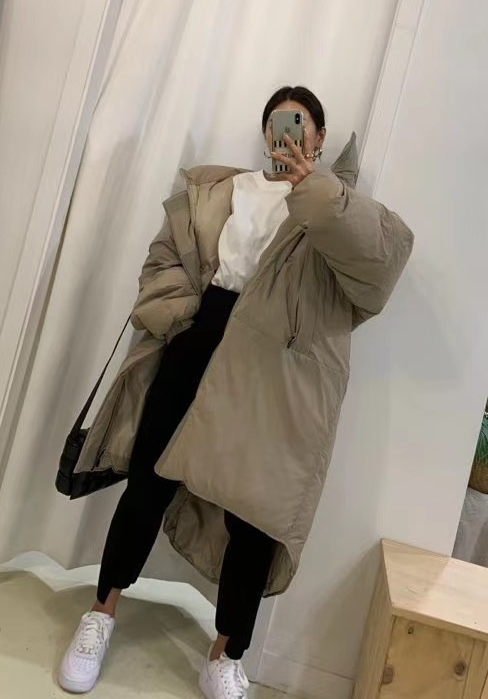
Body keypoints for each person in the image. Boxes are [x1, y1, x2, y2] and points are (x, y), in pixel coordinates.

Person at [58, 85, 413, 699]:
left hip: (272, 364)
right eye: (277, 123)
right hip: (202, 335)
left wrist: (315, 188)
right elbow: (164, 260)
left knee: (257, 511)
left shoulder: (335, 208)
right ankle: (101, 614)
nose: (287, 134)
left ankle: (226, 655)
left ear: (319, 138)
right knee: (148, 478)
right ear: (265, 132)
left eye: (300, 124)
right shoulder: (223, 188)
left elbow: (378, 275)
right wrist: (184, 315)